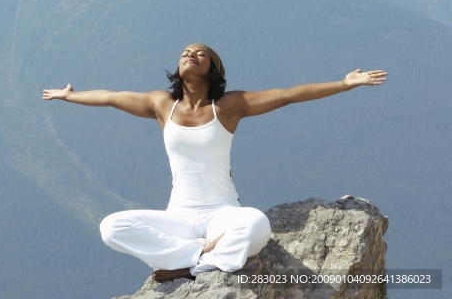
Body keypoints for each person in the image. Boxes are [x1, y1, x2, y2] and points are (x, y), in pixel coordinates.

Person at [41, 43, 387, 283]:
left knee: (256, 224)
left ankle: (193, 269)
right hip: (179, 216)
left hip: (221, 213)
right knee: (111, 228)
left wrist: (344, 84)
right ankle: (197, 256)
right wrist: (69, 96)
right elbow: (112, 98)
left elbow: (288, 94)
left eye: (200, 54)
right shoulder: (163, 104)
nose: (191, 54)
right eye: (186, 53)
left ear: (212, 68)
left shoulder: (229, 105)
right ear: (178, 67)